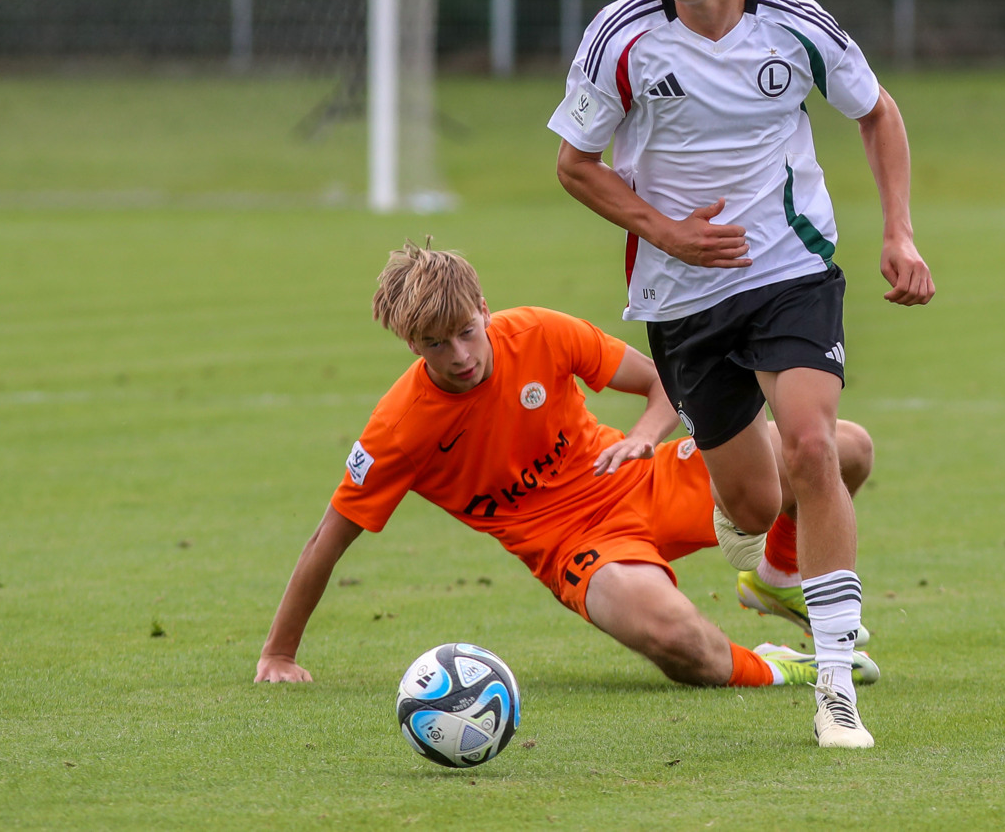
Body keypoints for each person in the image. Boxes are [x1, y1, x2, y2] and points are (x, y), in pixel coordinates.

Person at [549, 0, 934, 747]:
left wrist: (899, 230)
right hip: (681, 295)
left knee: (809, 442)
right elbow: (574, 165)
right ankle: (773, 564)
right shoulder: (623, 35)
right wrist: (670, 232)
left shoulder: (794, 25)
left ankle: (834, 682)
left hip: (790, 270)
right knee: (760, 503)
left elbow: (876, 110)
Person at [253, 242, 879, 696]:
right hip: (578, 549)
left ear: (484, 307)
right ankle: (776, 667)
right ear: (411, 345)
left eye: (468, 332)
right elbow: (326, 541)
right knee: (680, 642)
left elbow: (663, 381)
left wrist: (641, 436)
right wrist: (279, 653)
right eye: (435, 345)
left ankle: (776, 571)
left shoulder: (539, 333)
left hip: (640, 477)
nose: (461, 356)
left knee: (843, 449)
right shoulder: (398, 429)